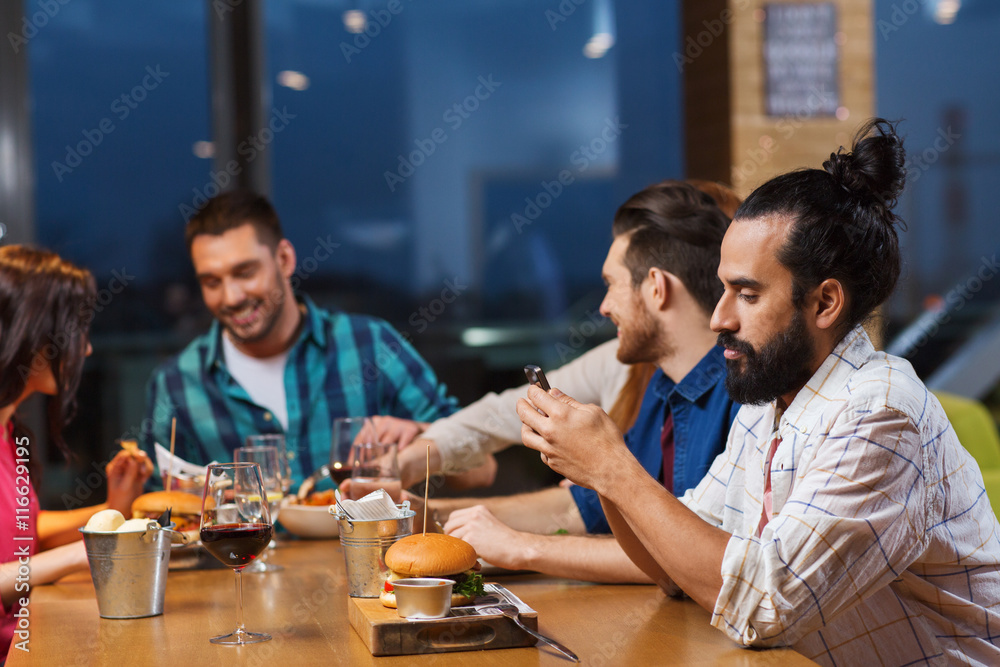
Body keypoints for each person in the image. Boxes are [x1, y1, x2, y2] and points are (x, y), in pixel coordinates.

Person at [517, 119, 1000, 663]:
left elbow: (764, 606)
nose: (720, 317)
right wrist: (598, 470)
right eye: (724, 288)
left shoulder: (881, 415)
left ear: (824, 303)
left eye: (746, 294)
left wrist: (612, 466)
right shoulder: (771, 399)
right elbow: (672, 568)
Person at [363, 181, 739, 584]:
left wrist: (521, 547)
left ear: (656, 287)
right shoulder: (658, 386)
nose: (603, 306)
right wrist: (428, 515)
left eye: (611, 284)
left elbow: (692, 558)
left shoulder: (746, 400)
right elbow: (580, 511)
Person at [140, 191, 459, 485]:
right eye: (212, 282)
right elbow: (160, 514)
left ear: (285, 260)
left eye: (245, 272)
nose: (231, 296)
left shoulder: (371, 346)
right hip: (246, 551)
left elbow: (481, 467)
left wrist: (420, 434)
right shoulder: (177, 383)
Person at [0, 246, 152, 657]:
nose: (84, 349)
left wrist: (112, 507)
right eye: (75, 330)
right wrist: (80, 554)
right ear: (30, 333)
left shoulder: (9, 432)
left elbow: (20, 530)